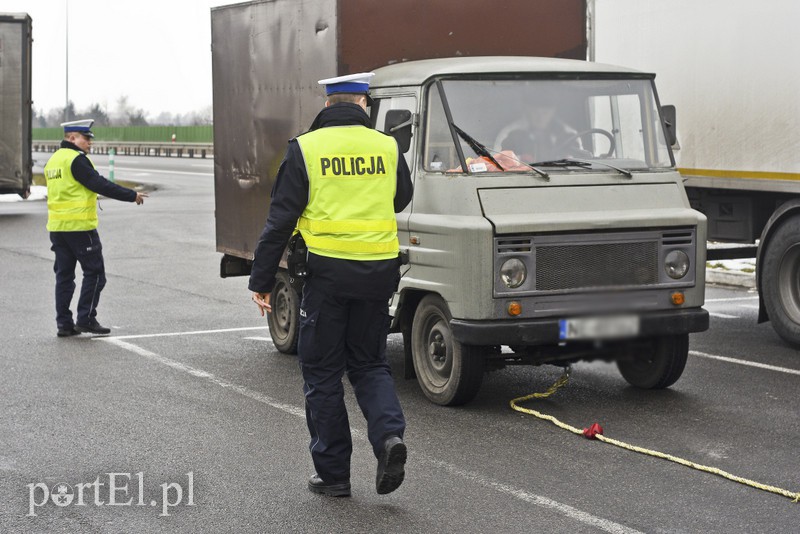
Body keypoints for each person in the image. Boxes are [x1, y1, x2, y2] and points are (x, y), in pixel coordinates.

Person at [248, 73, 413, 497]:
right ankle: (389, 437)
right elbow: (401, 198)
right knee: (370, 363)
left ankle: (335, 473)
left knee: (322, 372)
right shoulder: (387, 145)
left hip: (326, 278)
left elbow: (280, 219)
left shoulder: (306, 147)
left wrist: (262, 280)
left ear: (327, 104)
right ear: (363, 104)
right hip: (378, 273)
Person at [44, 119, 148, 337]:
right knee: (95, 273)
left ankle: (64, 324)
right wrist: (131, 195)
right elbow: (99, 184)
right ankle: (86, 318)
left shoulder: (53, 160)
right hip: (80, 228)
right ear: (72, 138)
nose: (90, 143)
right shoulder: (76, 160)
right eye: (86, 138)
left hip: (58, 228)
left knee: (64, 276)